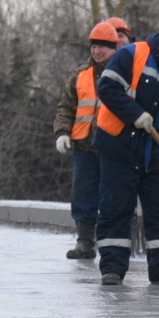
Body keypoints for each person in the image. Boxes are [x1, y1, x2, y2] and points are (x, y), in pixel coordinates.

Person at [92, 12, 159, 286]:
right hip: (119, 147)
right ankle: (113, 269)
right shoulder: (132, 54)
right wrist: (135, 114)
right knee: (115, 209)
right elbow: (106, 88)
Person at [54, 21, 120, 260]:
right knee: (82, 194)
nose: (96, 51)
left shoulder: (125, 73)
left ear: (114, 48)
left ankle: (112, 244)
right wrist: (62, 132)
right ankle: (85, 243)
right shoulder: (80, 74)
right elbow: (66, 107)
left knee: (112, 197)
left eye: (102, 46)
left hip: (114, 147)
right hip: (83, 145)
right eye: (93, 46)